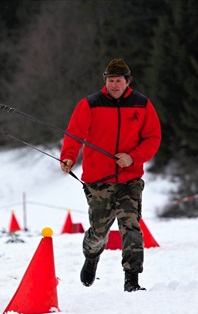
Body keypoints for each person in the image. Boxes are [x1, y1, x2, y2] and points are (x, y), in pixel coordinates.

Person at [60, 58, 161, 292]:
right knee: (98, 231)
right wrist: (68, 156)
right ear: (105, 81)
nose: (114, 85)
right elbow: (74, 133)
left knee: (131, 226)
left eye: (118, 80)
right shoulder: (90, 104)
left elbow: (153, 138)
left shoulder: (142, 105)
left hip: (130, 179)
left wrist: (132, 157)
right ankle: (92, 256)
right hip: (98, 180)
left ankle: (132, 279)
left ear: (128, 81)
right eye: (110, 80)